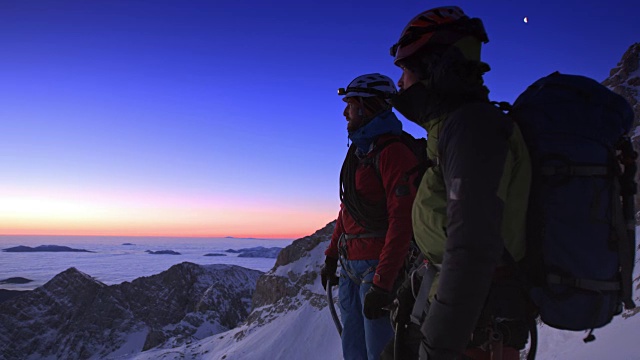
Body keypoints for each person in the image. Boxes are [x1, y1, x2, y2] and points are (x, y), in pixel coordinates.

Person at [387, 6, 532, 360]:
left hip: (475, 323)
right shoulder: (452, 128)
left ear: (431, 66)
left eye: (404, 69)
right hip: (456, 309)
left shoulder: (471, 128)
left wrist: (440, 342)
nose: (400, 83)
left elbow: (473, 246)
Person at [320, 73, 420, 360]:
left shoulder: (394, 153)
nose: (344, 112)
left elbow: (402, 221)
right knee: (353, 347)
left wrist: (383, 282)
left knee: (380, 350)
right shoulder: (359, 152)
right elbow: (348, 207)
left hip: (376, 271)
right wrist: (330, 256)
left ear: (367, 107)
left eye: (349, 105)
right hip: (351, 267)